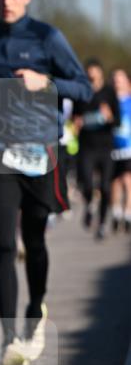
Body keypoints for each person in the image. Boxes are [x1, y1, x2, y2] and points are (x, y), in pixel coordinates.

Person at [0, 0, 91, 365]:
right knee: (5, 243)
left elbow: (83, 88)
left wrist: (46, 83)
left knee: (34, 240)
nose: (6, 0)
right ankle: (8, 338)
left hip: (40, 153)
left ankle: (35, 309)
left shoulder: (47, 37)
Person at [72, 59, 121, 239]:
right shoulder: (82, 93)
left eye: (95, 73)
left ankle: (101, 223)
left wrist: (109, 117)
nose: (92, 77)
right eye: (89, 74)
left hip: (106, 146)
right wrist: (76, 123)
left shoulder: (109, 93)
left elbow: (118, 121)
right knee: (86, 182)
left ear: (100, 73)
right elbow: (74, 117)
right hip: (86, 146)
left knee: (106, 187)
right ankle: (89, 204)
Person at [110, 67, 131, 232]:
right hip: (111, 147)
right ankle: (116, 211)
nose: (117, 80)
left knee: (127, 179)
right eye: (115, 78)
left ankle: (128, 213)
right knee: (115, 181)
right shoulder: (109, 100)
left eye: (120, 77)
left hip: (129, 147)